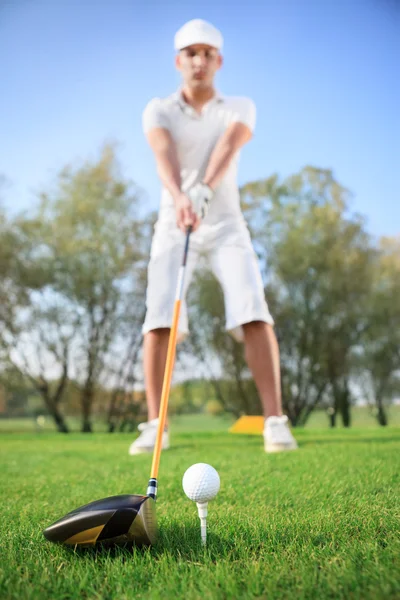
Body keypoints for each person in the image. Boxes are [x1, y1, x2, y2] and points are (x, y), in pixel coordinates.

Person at [129, 18, 297, 455]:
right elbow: (163, 155)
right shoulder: (158, 108)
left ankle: (275, 421)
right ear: (178, 61)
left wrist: (203, 188)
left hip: (226, 224)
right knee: (159, 317)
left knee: (253, 309)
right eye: (191, 53)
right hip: (173, 222)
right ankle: (155, 425)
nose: (199, 60)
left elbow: (228, 147)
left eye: (207, 53)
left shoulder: (239, 105)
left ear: (218, 60)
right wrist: (181, 197)